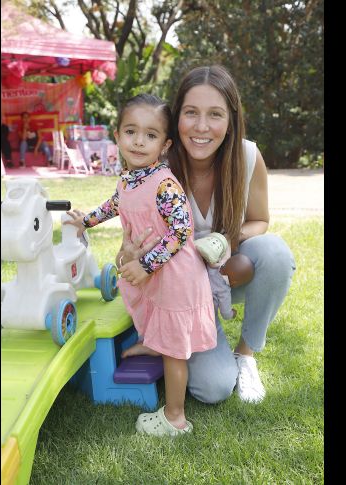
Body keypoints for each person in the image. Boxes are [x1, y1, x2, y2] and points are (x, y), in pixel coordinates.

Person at [115, 65, 296, 404]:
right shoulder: (157, 163)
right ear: (176, 117)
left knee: (275, 253)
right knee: (212, 388)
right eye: (190, 113)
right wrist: (129, 254)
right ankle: (162, 340)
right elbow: (127, 248)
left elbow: (260, 220)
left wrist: (224, 242)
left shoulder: (246, 156)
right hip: (178, 293)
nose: (201, 127)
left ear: (231, 119)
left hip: (224, 276)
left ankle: (246, 354)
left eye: (215, 114)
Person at [64, 94, 216, 436]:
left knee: (176, 352)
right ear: (117, 135)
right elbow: (115, 204)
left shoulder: (163, 184)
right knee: (145, 305)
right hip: (155, 271)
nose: (138, 141)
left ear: (164, 144)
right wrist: (85, 221)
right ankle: (152, 341)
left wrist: (146, 264)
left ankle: (175, 417)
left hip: (175, 276)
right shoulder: (128, 178)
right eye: (131, 131)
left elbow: (182, 231)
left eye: (150, 135)